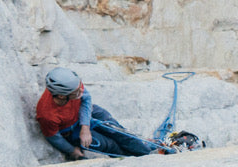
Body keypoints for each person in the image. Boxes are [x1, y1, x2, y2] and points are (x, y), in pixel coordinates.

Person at [35, 67, 163, 160]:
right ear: (62, 96)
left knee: (118, 132)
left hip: (86, 111)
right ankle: (135, 159)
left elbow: (86, 99)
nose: (81, 91)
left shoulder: (72, 84)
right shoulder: (47, 115)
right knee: (108, 145)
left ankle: (148, 152)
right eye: (76, 92)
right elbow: (54, 137)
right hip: (71, 129)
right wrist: (71, 150)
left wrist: (85, 127)